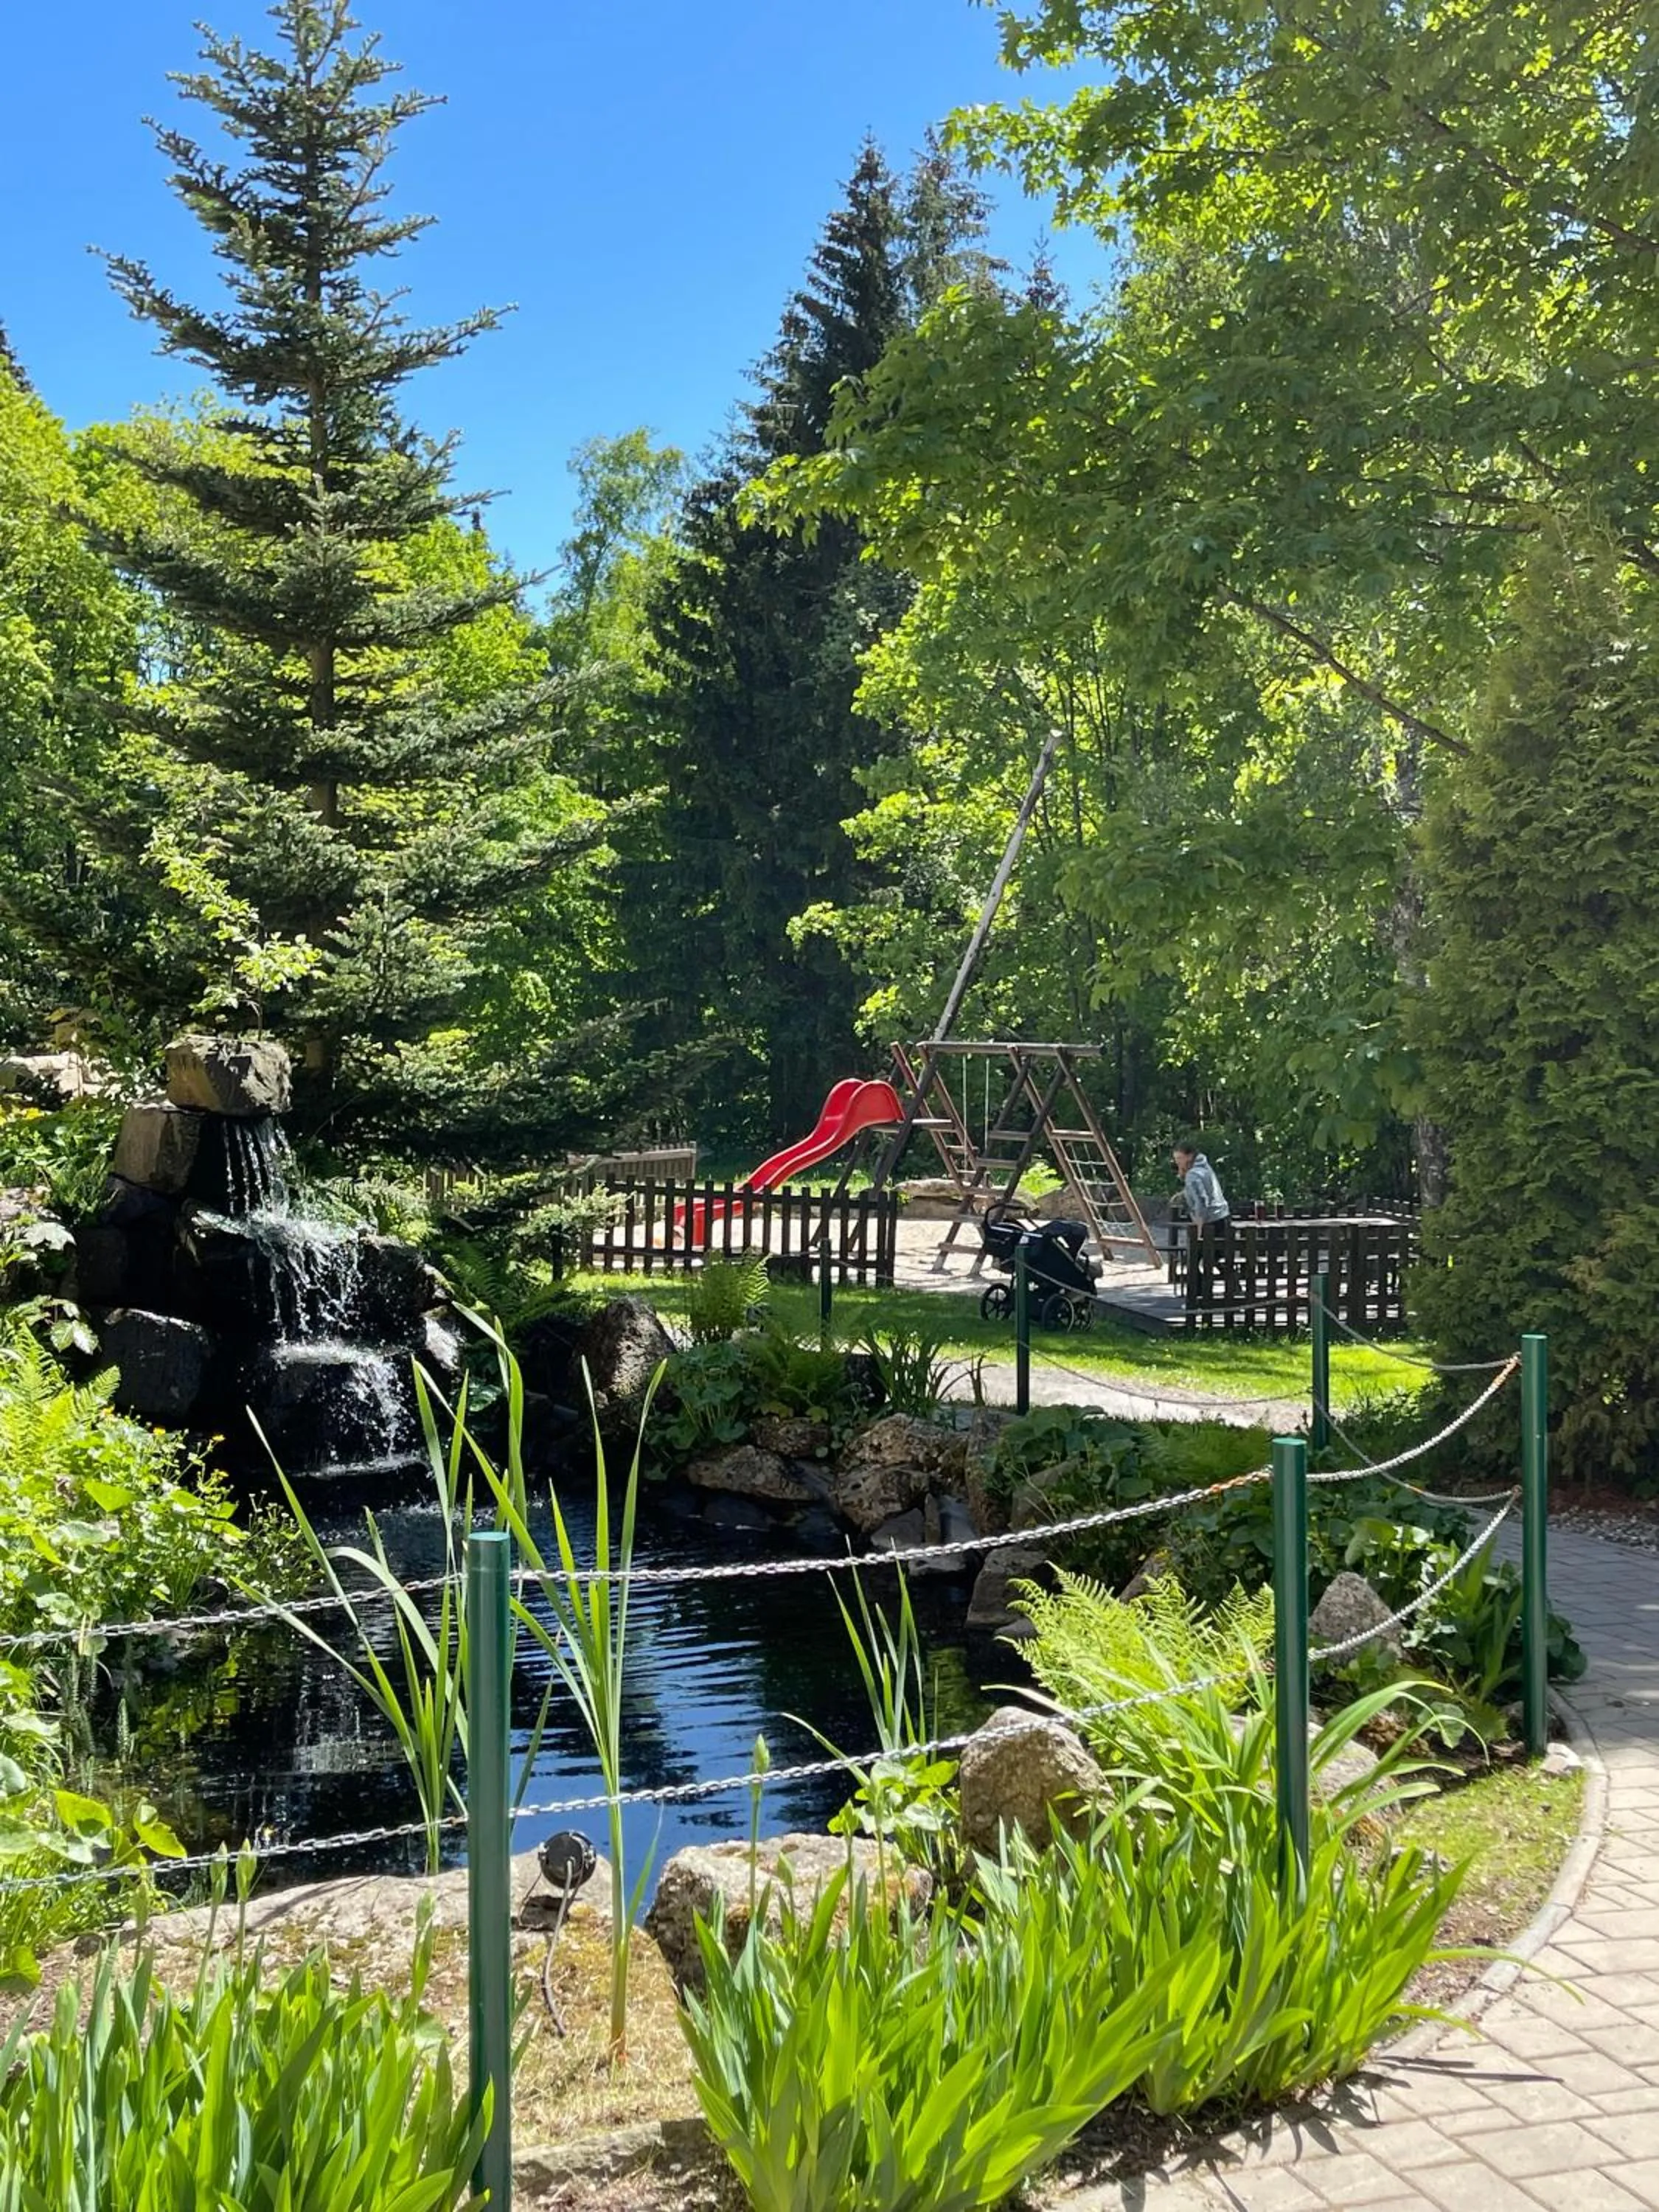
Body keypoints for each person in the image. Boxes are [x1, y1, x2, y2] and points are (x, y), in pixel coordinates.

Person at [1172, 1141, 1230, 1231]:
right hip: (1223, 1216)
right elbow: (1206, 1189)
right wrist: (1184, 1193)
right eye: (1175, 1159)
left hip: (1210, 1223)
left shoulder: (1192, 1175)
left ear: (1190, 1156)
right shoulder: (1204, 1166)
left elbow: (1201, 1202)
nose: (1177, 1162)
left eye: (1180, 1158)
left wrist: (1198, 1230)